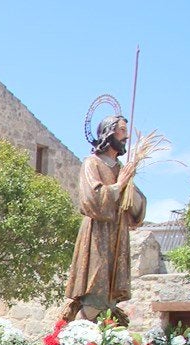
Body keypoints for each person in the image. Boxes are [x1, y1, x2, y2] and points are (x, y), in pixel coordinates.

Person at [63, 115, 147, 322]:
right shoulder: (92, 163)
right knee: (96, 292)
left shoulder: (121, 169)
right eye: (121, 130)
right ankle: (78, 334)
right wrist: (119, 185)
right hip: (97, 235)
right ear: (108, 133)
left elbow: (136, 210)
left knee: (109, 296)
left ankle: (107, 338)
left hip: (117, 234)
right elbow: (92, 198)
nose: (126, 136)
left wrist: (128, 184)